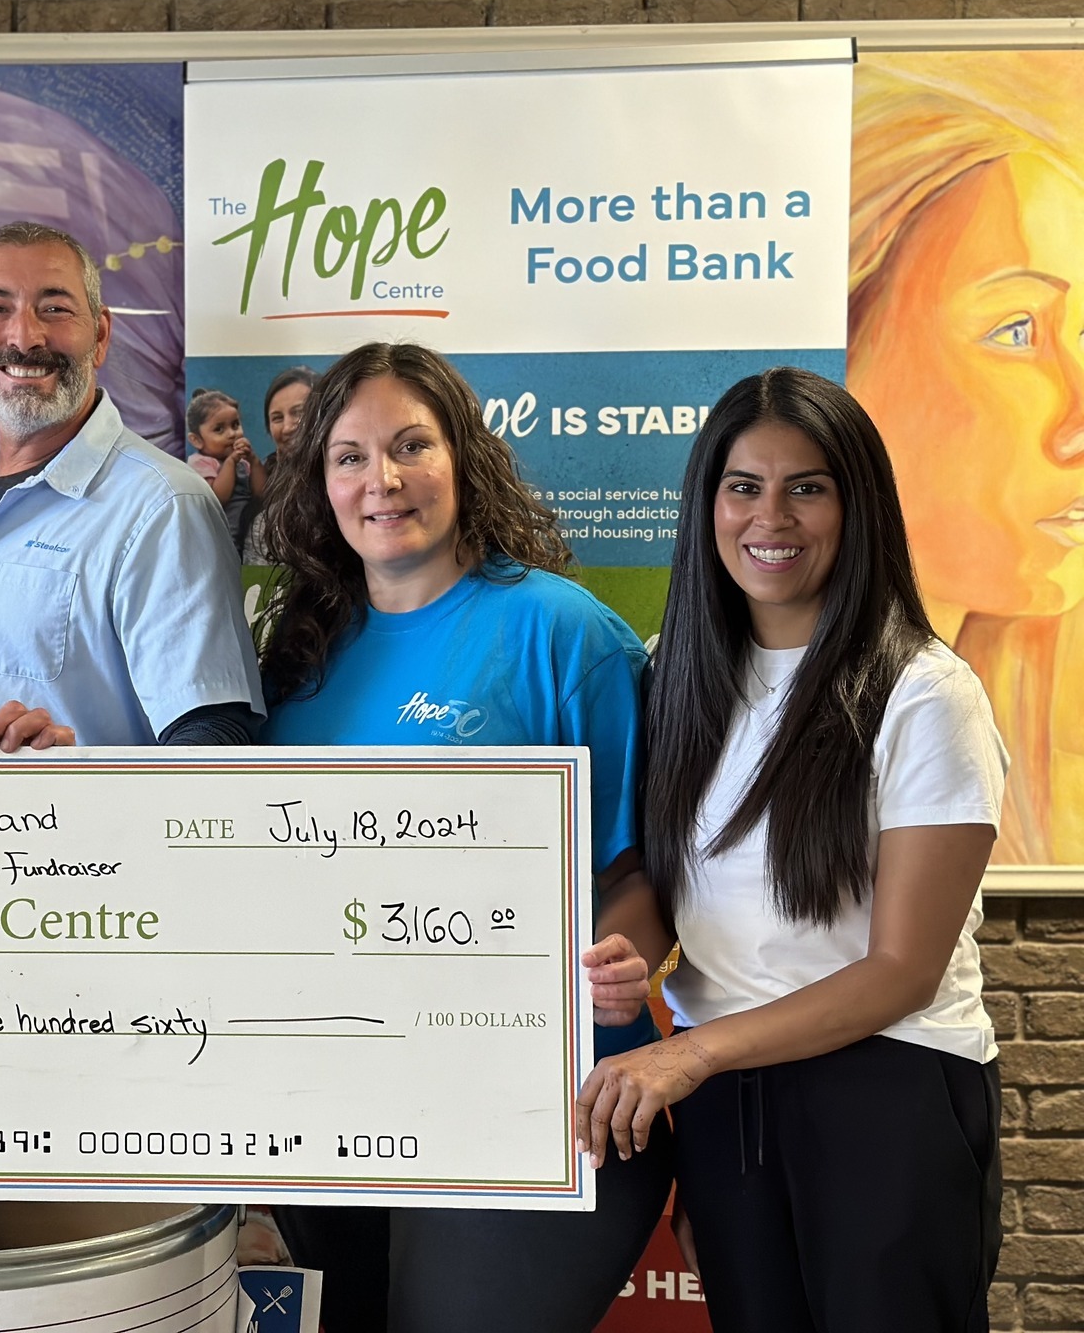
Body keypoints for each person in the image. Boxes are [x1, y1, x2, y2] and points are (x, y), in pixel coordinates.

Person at [578, 367, 1005, 1333]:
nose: (772, 516)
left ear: (858, 507)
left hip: (887, 1084)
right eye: (744, 486)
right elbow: (656, 870)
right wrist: (629, 951)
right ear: (708, 503)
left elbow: (902, 969)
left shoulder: (926, 692)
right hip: (732, 1096)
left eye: (807, 486)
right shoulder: (674, 669)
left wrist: (690, 1062)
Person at [257, 341, 671, 1333]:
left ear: (464, 457)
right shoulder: (301, 653)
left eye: (410, 446)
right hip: (338, 1100)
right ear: (320, 483)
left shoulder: (559, 633)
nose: (381, 480)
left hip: (542, 1098)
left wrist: (629, 956)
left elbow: (639, 870)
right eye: (349, 456)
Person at [0, 219, 263, 755]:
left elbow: (212, 737)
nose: (25, 337)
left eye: (55, 308)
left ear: (102, 335)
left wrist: (78, 771)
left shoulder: (161, 505)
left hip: (60, 837)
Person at [846, 54, 1084, 862]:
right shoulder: (700, 679)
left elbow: (906, 972)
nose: (1077, 421)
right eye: (1015, 330)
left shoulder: (952, 699)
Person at [245, 365, 319, 567]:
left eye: (298, 413)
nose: (288, 427)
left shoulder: (353, 483)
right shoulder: (262, 494)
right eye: (277, 418)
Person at [186, 388, 266, 556]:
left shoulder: (243, 462)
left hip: (246, 534)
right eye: (219, 429)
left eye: (235, 425)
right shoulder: (200, 462)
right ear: (196, 440)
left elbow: (262, 493)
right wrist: (230, 462)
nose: (231, 434)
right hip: (219, 537)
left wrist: (253, 460)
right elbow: (219, 497)